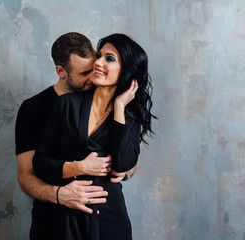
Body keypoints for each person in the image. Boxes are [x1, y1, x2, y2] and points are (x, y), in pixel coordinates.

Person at [33, 33, 156, 240]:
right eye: (99, 55)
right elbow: (40, 163)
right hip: (67, 215)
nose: (98, 62)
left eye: (109, 58)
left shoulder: (129, 116)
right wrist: (78, 166)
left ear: (126, 70)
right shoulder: (67, 104)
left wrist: (119, 107)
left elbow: (121, 165)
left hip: (110, 217)